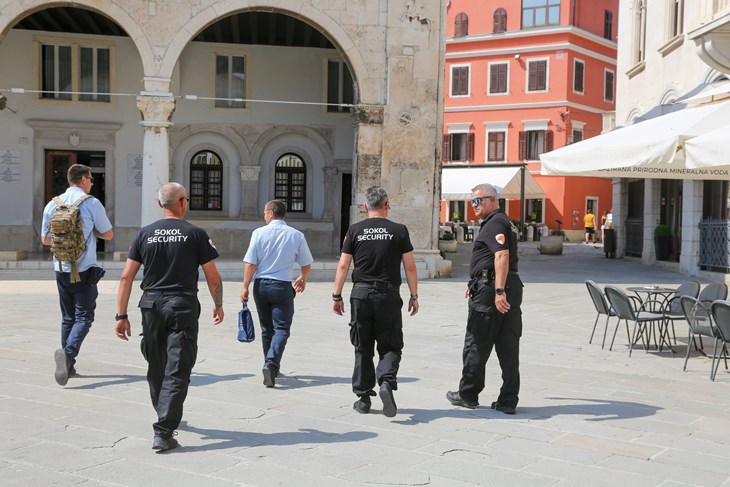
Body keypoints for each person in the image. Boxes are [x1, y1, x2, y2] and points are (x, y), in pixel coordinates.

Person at [115, 182, 224, 453]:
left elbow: (126, 276)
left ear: (159, 204)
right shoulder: (196, 234)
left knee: (156, 363)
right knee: (178, 366)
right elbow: (213, 277)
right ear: (183, 202)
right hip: (181, 305)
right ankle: (164, 430)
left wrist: (121, 315)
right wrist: (218, 304)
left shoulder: (145, 234)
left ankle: (164, 411)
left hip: (150, 305)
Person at [332, 186, 419, 417]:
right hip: (388, 295)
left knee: (362, 346)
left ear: (365, 207)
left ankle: (363, 399)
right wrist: (414, 295)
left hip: (360, 294)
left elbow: (343, 265)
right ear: (386, 204)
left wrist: (337, 295)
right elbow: (409, 266)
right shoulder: (399, 230)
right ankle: (386, 383)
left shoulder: (354, 230)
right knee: (391, 345)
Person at [447, 183, 523, 414]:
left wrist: (497, 290)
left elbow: (501, 255)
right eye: (472, 201)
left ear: (492, 200)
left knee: (477, 341)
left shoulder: (496, 223)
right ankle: (508, 400)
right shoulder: (502, 222)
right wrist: (477, 282)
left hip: (494, 289)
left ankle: (468, 393)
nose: (474, 206)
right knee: (508, 344)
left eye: (478, 201)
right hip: (500, 284)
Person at [41, 164, 113, 386]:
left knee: (68, 317)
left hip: (60, 268)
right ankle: (68, 354)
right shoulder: (91, 203)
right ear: (82, 179)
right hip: (84, 269)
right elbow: (109, 234)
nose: (92, 182)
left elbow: (44, 240)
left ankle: (68, 367)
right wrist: (90, 232)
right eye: (90, 179)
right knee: (84, 317)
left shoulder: (52, 204)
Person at [241, 200, 313, 388]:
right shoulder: (296, 235)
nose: (264, 215)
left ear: (271, 213)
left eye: (265, 212)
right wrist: (302, 278)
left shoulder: (258, 233)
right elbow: (306, 263)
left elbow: (250, 264)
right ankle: (271, 364)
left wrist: (245, 287)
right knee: (282, 329)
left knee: (267, 329)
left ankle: (270, 364)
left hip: (261, 286)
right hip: (282, 286)